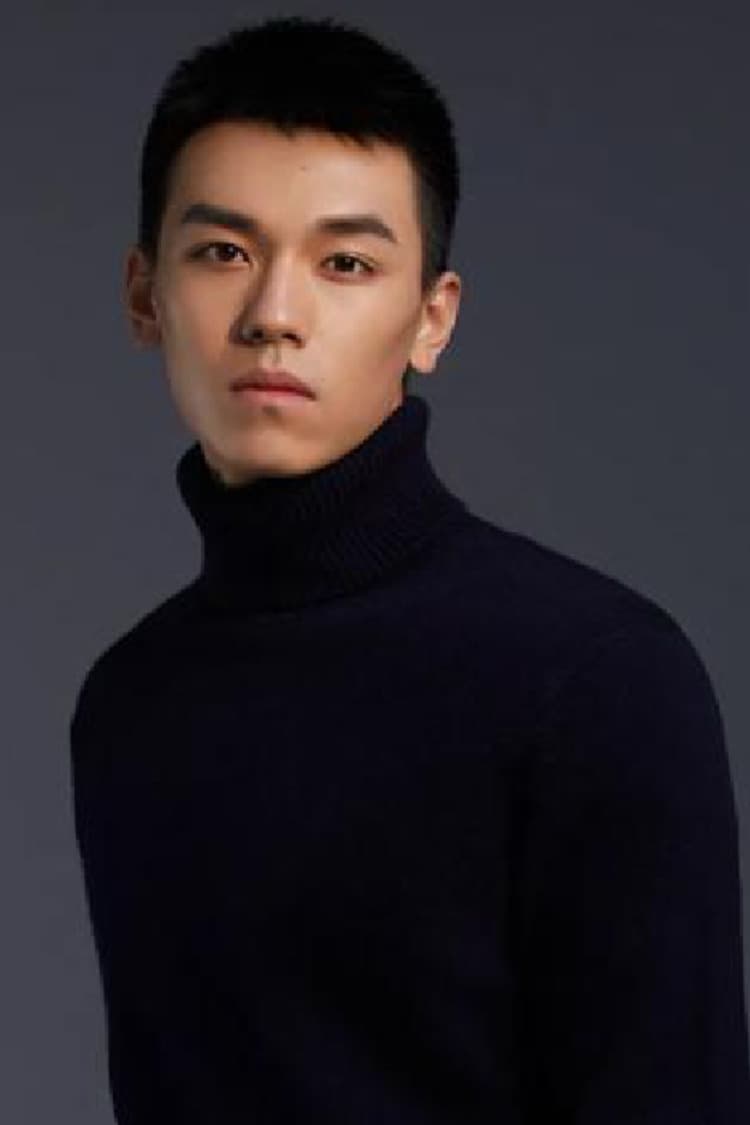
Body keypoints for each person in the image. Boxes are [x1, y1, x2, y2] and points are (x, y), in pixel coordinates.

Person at [69, 14, 750, 1124]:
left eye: (345, 263)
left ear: (433, 318)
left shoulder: (598, 679)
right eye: (224, 253)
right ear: (146, 295)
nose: (274, 316)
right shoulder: (130, 702)